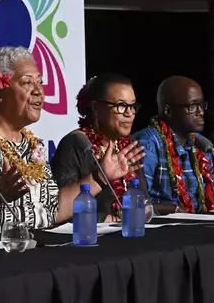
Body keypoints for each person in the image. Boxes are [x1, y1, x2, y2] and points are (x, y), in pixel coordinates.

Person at [0, 47, 143, 237]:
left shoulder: (32, 146)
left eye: (40, 82)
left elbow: (53, 211)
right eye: (26, 83)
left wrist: (99, 177)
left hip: (33, 259)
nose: (39, 91)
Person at [51, 73, 145, 222]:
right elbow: (59, 211)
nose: (130, 113)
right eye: (121, 105)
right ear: (95, 108)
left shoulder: (128, 146)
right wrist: (108, 219)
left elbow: (143, 202)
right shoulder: (76, 144)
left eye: (133, 106)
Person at [131, 76, 214, 215]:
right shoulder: (148, 144)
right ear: (168, 111)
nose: (200, 112)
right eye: (192, 106)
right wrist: (173, 210)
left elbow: (206, 200)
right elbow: (138, 203)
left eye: (202, 105)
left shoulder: (202, 145)